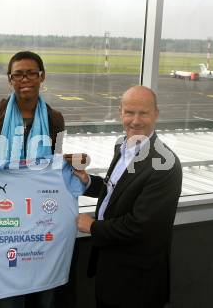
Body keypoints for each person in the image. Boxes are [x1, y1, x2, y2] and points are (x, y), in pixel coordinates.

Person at [72, 86, 183, 308]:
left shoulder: (165, 164)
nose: (135, 120)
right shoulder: (122, 145)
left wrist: (93, 227)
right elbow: (117, 189)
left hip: (137, 281)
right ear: (120, 112)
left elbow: (141, 226)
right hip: (110, 271)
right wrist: (88, 182)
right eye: (129, 112)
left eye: (143, 113)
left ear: (156, 114)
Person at [0, 51, 65, 308]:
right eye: (18, 74)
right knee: (8, 298)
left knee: (44, 297)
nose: (25, 79)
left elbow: (52, 172)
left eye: (31, 73)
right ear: (9, 79)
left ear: (42, 76)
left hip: (41, 221)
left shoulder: (54, 118)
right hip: (5, 222)